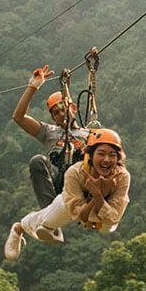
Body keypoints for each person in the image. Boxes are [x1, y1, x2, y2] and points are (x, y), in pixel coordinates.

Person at [4, 128, 130, 261]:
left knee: (107, 227)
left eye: (112, 155)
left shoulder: (122, 177)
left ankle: (42, 227)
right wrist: (98, 195)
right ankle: (19, 228)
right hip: (75, 207)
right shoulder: (74, 172)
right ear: (90, 155)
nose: (106, 159)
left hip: (103, 219)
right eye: (101, 153)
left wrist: (98, 196)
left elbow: (113, 218)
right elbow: (80, 216)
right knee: (47, 220)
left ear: (118, 158)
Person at [12, 64, 90, 211]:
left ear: (73, 108)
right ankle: (50, 211)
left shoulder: (89, 134)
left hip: (81, 183)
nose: (61, 114)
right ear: (53, 118)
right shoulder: (49, 132)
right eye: (56, 113)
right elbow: (18, 117)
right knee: (37, 161)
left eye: (63, 109)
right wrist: (32, 87)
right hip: (58, 181)